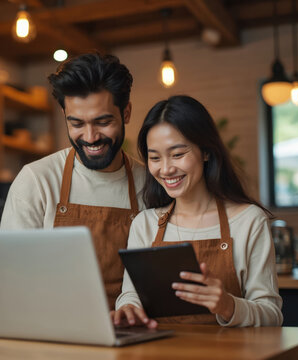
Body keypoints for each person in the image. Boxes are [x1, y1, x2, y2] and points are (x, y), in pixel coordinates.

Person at [112, 95, 283, 327]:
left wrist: (227, 305)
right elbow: (131, 294)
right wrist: (129, 307)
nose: (165, 169)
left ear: (206, 152)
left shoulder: (249, 221)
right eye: (154, 158)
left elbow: (271, 315)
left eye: (178, 154)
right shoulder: (145, 223)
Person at [0, 53, 146, 309]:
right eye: (76, 123)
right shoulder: (37, 180)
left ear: (127, 113)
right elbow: (11, 278)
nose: (90, 137)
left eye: (103, 122)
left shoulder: (149, 182)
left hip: (130, 331)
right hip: (52, 329)